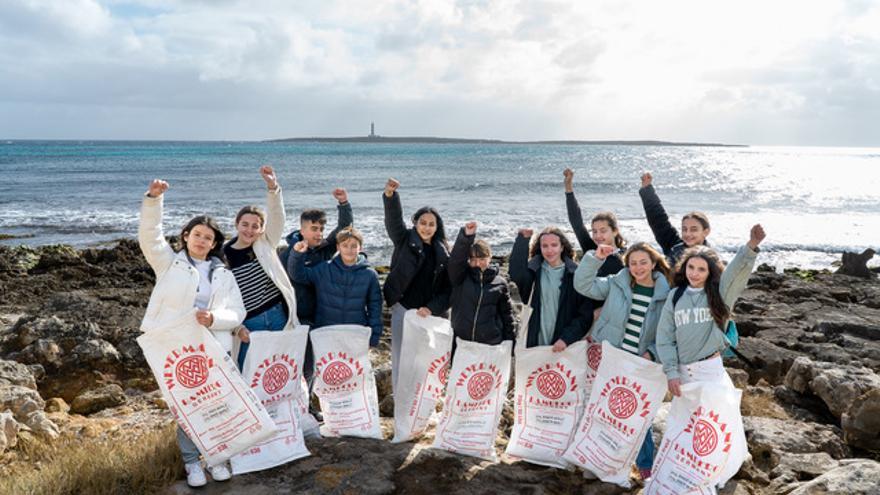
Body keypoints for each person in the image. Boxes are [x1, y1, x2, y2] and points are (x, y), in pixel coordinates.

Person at [138, 179, 245, 488]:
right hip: (177, 347)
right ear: (186, 237)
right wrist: (153, 200)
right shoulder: (169, 264)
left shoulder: (224, 273)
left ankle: (217, 458)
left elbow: (238, 312)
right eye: (196, 234)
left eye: (207, 237)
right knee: (188, 406)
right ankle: (191, 463)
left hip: (214, 345)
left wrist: (214, 318)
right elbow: (150, 237)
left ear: (214, 244)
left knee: (216, 403)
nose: (201, 240)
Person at [574, 241, 672, 482]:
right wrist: (594, 259)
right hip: (609, 358)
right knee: (602, 409)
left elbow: (668, 332)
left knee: (640, 415)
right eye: (633, 263)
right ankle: (595, 460)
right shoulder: (616, 282)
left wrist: (651, 352)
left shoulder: (666, 294)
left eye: (643, 262)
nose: (638, 268)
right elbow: (583, 284)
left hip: (639, 363)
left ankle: (646, 466)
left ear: (653, 263)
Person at [657, 225, 766, 396]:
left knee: (716, 422)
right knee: (685, 422)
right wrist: (671, 373)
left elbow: (734, 273)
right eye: (691, 267)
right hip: (682, 372)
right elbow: (664, 337)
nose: (694, 273)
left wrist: (751, 245)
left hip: (710, 371)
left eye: (702, 269)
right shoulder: (675, 296)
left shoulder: (720, 294)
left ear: (711, 272)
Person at [225, 166, 299, 370]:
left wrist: (273, 187)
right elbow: (223, 296)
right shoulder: (224, 255)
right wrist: (237, 327)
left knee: (283, 365)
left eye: (255, 226)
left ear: (262, 229)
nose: (250, 230)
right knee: (250, 369)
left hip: (277, 314)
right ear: (237, 224)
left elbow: (277, 217)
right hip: (250, 321)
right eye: (245, 224)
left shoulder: (265, 244)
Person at [382, 178, 451, 392]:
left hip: (429, 315)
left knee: (425, 359)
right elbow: (393, 221)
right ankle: (400, 401)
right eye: (423, 222)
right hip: (403, 308)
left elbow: (448, 289)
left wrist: (432, 308)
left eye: (431, 224)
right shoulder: (404, 239)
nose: (426, 228)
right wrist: (391, 196)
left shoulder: (444, 252)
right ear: (415, 223)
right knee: (401, 358)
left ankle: (421, 403)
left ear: (437, 227)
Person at [283, 187, 352, 392]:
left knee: (316, 365)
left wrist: (344, 204)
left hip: (321, 316)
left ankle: (310, 404)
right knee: (301, 365)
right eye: (314, 228)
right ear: (301, 230)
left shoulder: (324, 248)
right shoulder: (288, 253)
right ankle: (302, 406)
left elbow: (343, 228)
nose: (319, 233)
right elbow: (295, 277)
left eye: (321, 229)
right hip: (298, 318)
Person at [289, 227, 383, 347]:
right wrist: (297, 254)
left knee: (352, 366)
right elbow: (298, 275)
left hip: (355, 332)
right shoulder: (324, 269)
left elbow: (375, 307)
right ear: (338, 247)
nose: (349, 250)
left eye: (354, 246)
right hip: (326, 331)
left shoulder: (369, 274)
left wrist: (374, 335)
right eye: (345, 245)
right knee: (327, 366)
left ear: (361, 248)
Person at [508, 226, 593, 350]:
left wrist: (566, 338)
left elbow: (584, 315)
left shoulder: (575, 275)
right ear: (540, 248)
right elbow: (515, 272)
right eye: (545, 246)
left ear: (562, 247)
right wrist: (523, 240)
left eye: (554, 245)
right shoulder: (533, 271)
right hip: (533, 343)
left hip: (563, 346)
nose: (549, 250)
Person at [563, 168, 627, 318]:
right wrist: (568, 187)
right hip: (587, 316)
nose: (598, 236)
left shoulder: (627, 256)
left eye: (603, 231)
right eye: (594, 231)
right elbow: (576, 222)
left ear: (615, 231)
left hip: (614, 316)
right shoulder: (592, 251)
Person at [447, 221, 516, 347]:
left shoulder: (500, 283)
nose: (478, 263)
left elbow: (507, 315)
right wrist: (467, 236)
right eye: (473, 259)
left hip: (491, 343)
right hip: (462, 342)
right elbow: (455, 261)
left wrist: (510, 343)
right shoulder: (461, 277)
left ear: (490, 258)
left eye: (482, 259)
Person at [638, 172, 711, 265]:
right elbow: (659, 221)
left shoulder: (712, 260)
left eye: (694, 229)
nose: (688, 234)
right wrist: (647, 191)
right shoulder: (674, 248)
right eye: (684, 229)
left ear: (706, 232)